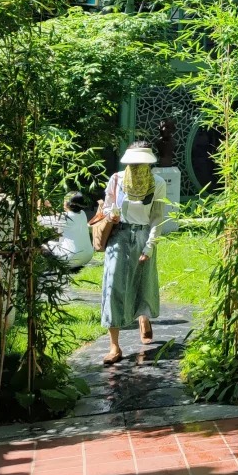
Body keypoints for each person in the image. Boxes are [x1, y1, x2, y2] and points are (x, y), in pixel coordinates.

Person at [100, 141, 168, 364]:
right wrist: (111, 215)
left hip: (143, 235)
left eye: (141, 163)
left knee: (142, 282)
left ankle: (143, 316)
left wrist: (150, 245)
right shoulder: (117, 179)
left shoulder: (157, 183)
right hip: (119, 234)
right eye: (133, 163)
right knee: (113, 287)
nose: (136, 167)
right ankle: (114, 346)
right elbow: (107, 206)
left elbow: (157, 217)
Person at [43, 191, 94, 271]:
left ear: (68, 203)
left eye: (64, 201)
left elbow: (39, 221)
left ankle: (56, 267)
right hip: (87, 256)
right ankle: (74, 265)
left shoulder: (65, 217)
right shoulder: (82, 213)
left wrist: (37, 207)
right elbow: (61, 218)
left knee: (44, 245)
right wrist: (49, 207)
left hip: (72, 258)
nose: (63, 203)